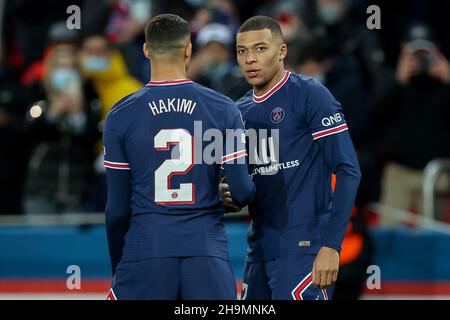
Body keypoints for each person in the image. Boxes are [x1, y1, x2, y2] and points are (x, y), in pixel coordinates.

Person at [104, 14, 255, 300]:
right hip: (206, 253)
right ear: (188, 49)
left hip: (145, 250)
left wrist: (121, 264)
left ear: (146, 50)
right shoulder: (223, 109)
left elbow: (117, 210)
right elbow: (242, 191)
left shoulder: (120, 115)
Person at [221, 16, 361, 300]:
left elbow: (348, 170)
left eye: (260, 49)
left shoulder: (311, 95)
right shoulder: (237, 111)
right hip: (258, 249)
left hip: (305, 247)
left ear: (282, 51)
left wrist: (332, 246)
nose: (250, 59)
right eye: (242, 51)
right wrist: (228, 194)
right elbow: (243, 185)